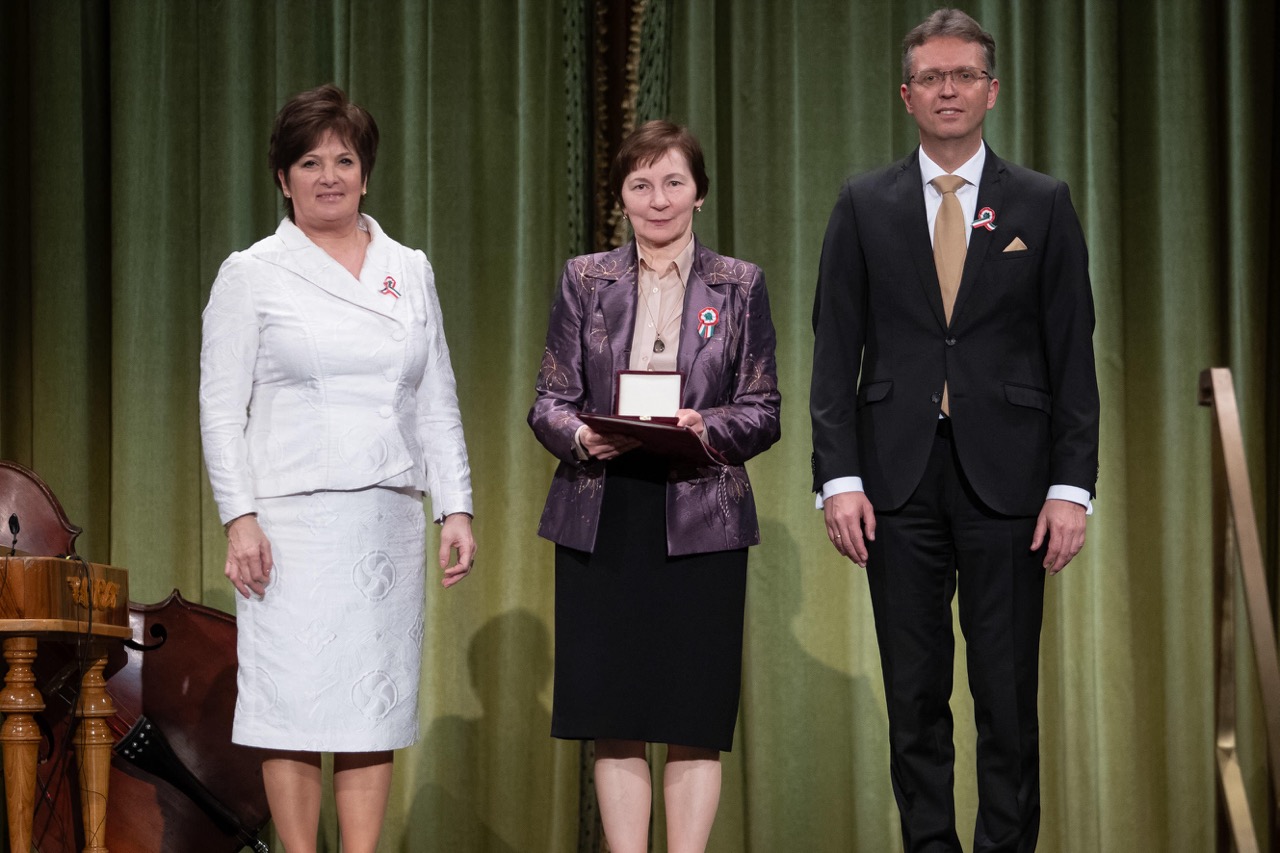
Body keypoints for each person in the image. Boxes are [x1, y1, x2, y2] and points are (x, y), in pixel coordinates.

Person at [810, 9, 1099, 852]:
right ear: (906, 95)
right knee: (915, 699)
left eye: (964, 75)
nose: (948, 90)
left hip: (1011, 484)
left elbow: (1071, 352)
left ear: (992, 90)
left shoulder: (1041, 202)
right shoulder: (863, 202)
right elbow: (835, 348)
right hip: (894, 483)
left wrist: (1072, 486)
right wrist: (839, 478)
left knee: (1007, 700)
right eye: (931, 77)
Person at [199, 84, 476, 853]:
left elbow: (436, 397)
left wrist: (455, 506)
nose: (330, 176)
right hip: (290, 521)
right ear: (283, 179)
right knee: (292, 701)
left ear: (366, 173)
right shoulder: (252, 273)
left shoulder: (407, 268)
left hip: (386, 516)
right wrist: (240, 518)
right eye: (310, 162)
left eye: (344, 160)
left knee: (370, 704)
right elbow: (220, 409)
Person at [529, 120, 780, 853]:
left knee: (692, 715)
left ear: (699, 193)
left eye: (673, 182)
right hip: (602, 508)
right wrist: (581, 435)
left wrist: (706, 426)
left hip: (701, 512)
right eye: (641, 184)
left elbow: (763, 408)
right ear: (622, 197)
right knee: (616, 713)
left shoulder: (739, 284)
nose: (658, 199)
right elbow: (548, 400)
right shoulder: (585, 278)